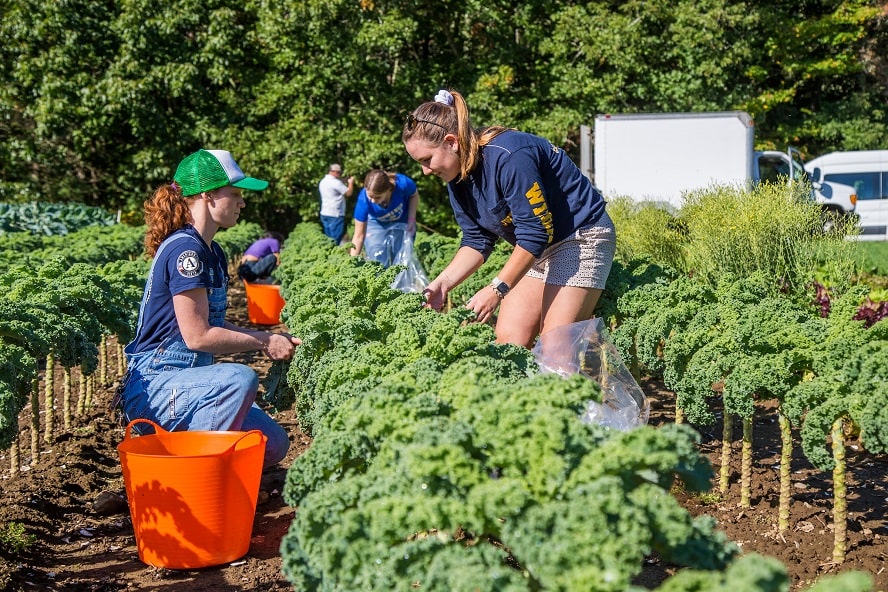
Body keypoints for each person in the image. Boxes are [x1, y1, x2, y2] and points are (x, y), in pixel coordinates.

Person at [118, 149, 300, 468]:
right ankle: (189, 478)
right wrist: (264, 342)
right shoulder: (185, 250)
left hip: (190, 383)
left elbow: (214, 324)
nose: (242, 202)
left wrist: (271, 338)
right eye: (235, 193)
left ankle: (215, 475)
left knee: (272, 443)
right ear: (207, 195)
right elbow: (198, 337)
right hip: (158, 385)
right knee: (239, 379)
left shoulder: (211, 251)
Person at [402, 89, 616, 349]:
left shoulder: (510, 156)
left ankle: (577, 389)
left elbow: (535, 233)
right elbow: (477, 240)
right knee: (509, 342)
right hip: (538, 248)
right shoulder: (457, 176)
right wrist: (442, 283)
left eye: (427, 160)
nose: (424, 171)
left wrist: (496, 289)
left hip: (580, 238)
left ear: (451, 142)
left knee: (555, 349)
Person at [349, 169, 419, 268]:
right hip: (376, 223)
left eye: (377, 197)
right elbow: (359, 236)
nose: (372, 201)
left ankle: (401, 283)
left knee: (401, 257)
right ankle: (382, 281)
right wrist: (351, 264)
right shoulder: (363, 201)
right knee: (377, 256)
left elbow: (414, 195)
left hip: (401, 220)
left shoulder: (403, 184)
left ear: (388, 190)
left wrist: (412, 219)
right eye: (370, 196)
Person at [318, 163, 354, 243]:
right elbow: (348, 193)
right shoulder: (336, 183)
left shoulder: (323, 181)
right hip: (335, 214)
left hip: (325, 212)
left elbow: (337, 187)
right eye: (339, 173)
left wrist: (343, 181)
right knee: (335, 240)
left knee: (329, 239)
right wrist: (351, 183)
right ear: (335, 172)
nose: (340, 175)